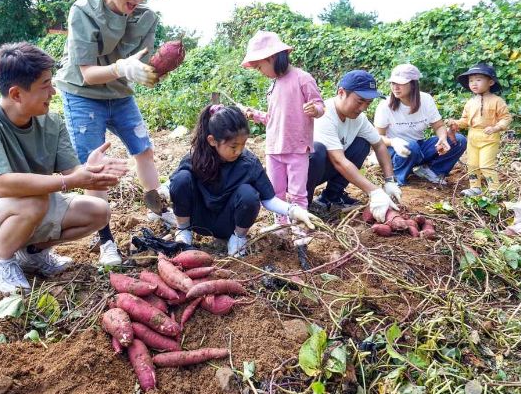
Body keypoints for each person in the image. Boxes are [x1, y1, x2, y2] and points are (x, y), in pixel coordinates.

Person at [0, 43, 129, 294]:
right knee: (33, 199)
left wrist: (90, 170)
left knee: (98, 211)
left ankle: (32, 254)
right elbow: (1, 185)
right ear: (16, 94)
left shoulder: (51, 122)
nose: (53, 92)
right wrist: (68, 182)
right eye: (45, 85)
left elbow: (73, 173)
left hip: (29, 208)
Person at [54, 0, 174, 266]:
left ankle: (160, 212)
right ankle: (104, 239)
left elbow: (143, 66)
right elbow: (88, 73)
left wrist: (153, 70)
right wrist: (121, 67)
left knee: (144, 150)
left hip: (119, 95)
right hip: (82, 93)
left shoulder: (146, 18)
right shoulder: (84, 11)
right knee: (96, 167)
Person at [169, 104, 318, 257]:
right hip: (197, 219)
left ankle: (238, 237)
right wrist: (161, 193)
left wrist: (294, 211)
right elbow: (176, 185)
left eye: (243, 144)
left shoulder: (248, 163)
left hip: (228, 222)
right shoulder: (196, 158)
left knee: (249, 194)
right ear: (212, 141)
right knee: (181, 179)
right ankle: (183, 230)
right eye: (233, 146)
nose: (239, 151)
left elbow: (268, 199)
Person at [240, 30, 324, 246]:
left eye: (260, 66)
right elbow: (273, 118)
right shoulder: (273, 84)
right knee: (275, 191)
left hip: (296, 147)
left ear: (272, 57)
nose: (260, 71)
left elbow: (320, 105)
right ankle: (281, 224)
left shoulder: (303, 78)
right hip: (273, 148)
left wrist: (314, 109)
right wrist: (254, 114)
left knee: (297, 192)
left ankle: (299, 228)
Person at [306, 70, 402, 223]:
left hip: (327, 166)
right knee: (317, 150)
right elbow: (339, 161)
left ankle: (331, 197)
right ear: (341, 92)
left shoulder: (359, 119)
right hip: (300, 173)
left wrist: (390, 180)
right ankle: (303, 204)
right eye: (359, 101)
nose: (363, 108)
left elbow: (379, 145)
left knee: (363, 143)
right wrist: (374, 191)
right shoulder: (324, 114)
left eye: (368, 103)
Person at [373, 63, 467, 185]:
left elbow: (438, 125)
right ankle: (398, 176)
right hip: (395, 151)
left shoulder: (426, 100)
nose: (395, 87)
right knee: (410, 146)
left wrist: (443, 138)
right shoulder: (385, 106)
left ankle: (432, 171)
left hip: (419, 147)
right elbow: (377, 137)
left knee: (459, 140)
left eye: (400, 83)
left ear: (413, 84)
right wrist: (394, 142)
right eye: (393, 83)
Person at [449, 62, 512, 197]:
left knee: (486, 165)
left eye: (478, 80)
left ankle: (494, 190)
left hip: (489, 137)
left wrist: (497, 127)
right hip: (473, 136)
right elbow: (465, 121)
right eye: (471, 81)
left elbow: (506, 118)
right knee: (472, 164)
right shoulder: (470, 102)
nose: (474, 84)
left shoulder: (497, 101)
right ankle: (475, 187)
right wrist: (455, 123)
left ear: (490, 82)